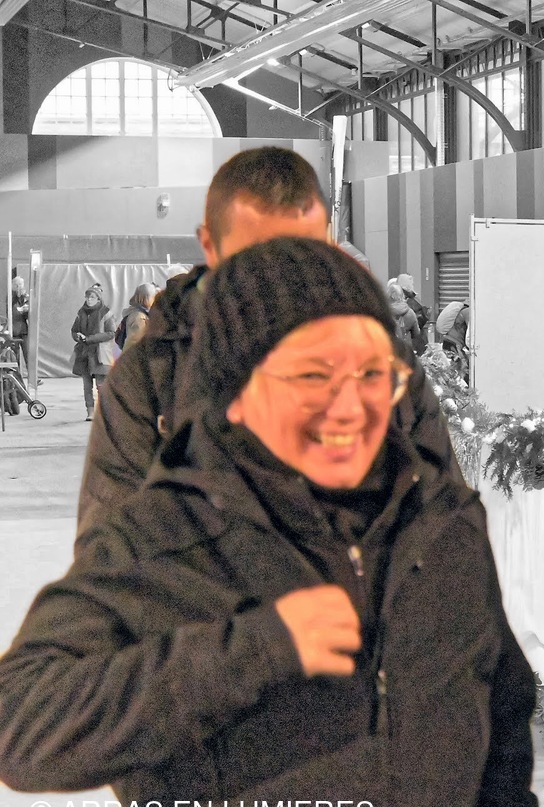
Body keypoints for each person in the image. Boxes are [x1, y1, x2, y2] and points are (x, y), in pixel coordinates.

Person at [0, 238, 543, 807]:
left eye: (372, 373)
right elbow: (20, 723)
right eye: (313, 375)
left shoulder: (443, 527)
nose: (351, 408)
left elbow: (502, 752)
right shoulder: (166, 537)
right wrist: (255, 648)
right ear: (237, 394)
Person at [76, 146, 462, 552]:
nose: (280, 277)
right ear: (210, 246)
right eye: (255, 257)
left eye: (303, 252)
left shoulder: (386, 368)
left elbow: (447, 532)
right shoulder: (150, 377)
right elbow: (109, 551)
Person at [71, 285, 114, 420]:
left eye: (92, 297)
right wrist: (77, 336)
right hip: (84, 353)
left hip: (100, 354)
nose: (89, 300)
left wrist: (89, 339)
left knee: (101, 385)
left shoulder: (106, 312)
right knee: (86, 385)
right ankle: (90, 412)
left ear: (98, 299)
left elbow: (111, 333)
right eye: (87, 297)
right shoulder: (81, 312)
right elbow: (74, 330)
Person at [117, 281, 160, 351]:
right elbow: (136, 342)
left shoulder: (140, 314)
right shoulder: (139, 317)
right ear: (145, 298)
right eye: (153, 297)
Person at [386, 280, 421, 352]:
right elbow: (416, 333)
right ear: (402, 296)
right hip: (404, 350)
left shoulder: (382, 312)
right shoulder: (410, 312)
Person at [9, 268, 29, 374]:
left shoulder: (25, 296)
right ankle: (17, 376)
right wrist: (17, 295)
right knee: (15, 356)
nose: (19, 287)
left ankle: (33, 376)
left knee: (28, 354)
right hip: (14, 331)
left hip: (24, 330)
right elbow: (11, 309)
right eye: (17, 285)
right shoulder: (10, 296)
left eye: (21, 284)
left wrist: (26, 309)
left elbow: (27, 313)